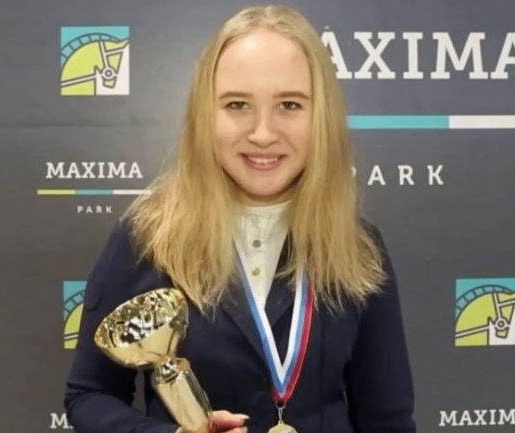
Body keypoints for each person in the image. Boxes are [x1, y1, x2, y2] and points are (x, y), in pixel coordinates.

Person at [64, 4, 417, 433]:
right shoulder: (149, 236)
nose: (263, 132)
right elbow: (90, 395)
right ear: (204, 114)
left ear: (320, 116)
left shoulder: (357, 245)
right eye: (237, 104)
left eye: (289, 104)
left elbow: (388, 418)